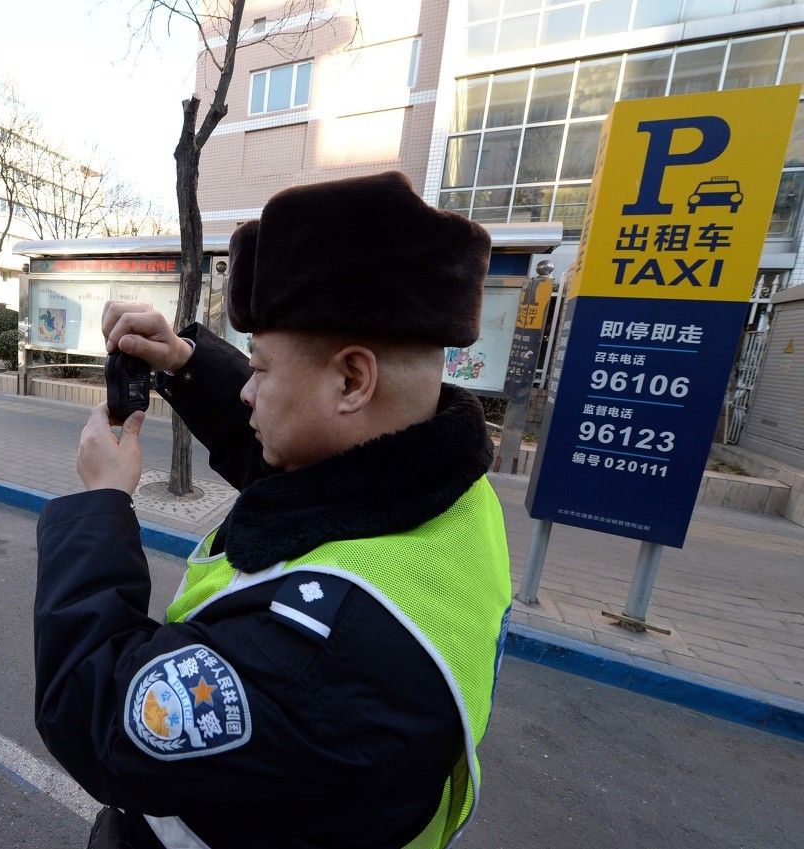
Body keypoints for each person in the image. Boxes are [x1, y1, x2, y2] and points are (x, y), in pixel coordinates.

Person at [33, 173, 512, 849]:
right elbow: (308, 475)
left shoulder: (318, 653)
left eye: (260, 367)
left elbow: (98, 714)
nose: (248, 393)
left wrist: (100, 503)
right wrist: (184, 361)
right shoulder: (447, 489)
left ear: (352, 379)